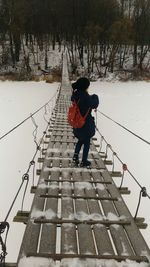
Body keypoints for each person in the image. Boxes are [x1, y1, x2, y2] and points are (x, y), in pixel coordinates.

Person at [71, 77, 99, 167]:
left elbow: (82, 102)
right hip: (85, 124)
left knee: (80, 140)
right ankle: (84, 161)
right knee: (86, 142)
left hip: (76, 123)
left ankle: (75, 156)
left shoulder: (75, 94)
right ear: (85, 87)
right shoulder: (86, 97)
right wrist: (95, 96)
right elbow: (94, 104)